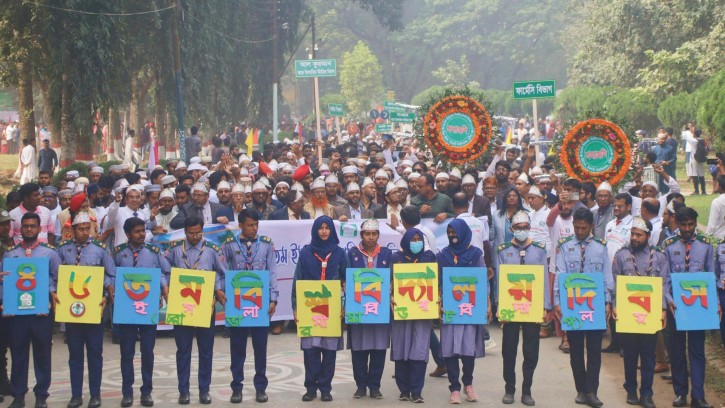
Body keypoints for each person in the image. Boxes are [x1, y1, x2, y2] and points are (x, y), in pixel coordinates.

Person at [553, 208, 613, 407]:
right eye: (576, 227)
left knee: (594, 349)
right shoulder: (564, 246)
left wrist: (607, 301)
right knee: (576, 349)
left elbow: (606, 275)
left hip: (593, 305)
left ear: (591, 227)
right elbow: (560, 275)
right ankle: (581, 389)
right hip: (572, 306)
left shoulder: (600, 246)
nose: (579, 231)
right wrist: (557, 302)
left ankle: (592, 391)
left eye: (583, 228)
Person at [164, 215, 226, 405]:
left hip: (206, 306)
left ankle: (204, 390)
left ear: (202, 230)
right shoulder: (175, 250)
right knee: (183, 350)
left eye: (198, 232)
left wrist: (218, 291)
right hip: (181, 306)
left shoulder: (211, 250)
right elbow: (164, 271)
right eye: (191, 233)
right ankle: (184, 391)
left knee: (206, 350)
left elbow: (221, 273)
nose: (194, 236)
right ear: (185, 232)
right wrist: (166, 288)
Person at [1, 213, 61, 408]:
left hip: (40, 314)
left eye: (32, 226)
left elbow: (56, 279)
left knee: (42, 354)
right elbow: (4, 281)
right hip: (16, 315)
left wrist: (51, 296)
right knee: (18, 354)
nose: (29, 229)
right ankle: (18, 395)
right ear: (19, 229)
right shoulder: (10, 254)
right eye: (25, 226)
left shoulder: (50, 253)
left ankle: (41, 395)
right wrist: (4, 303)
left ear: (39, 229)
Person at [57, 212, 116, 408]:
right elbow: (56, 276)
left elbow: (111, 274)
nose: (84, 232)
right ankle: (76, 395)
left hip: (94, 309)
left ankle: (95, 394)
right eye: (80, 229)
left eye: (87, 228)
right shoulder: (63, 250)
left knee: (94, 353)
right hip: (71, 310)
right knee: (75, 354)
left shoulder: (99, 249)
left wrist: (106, 294)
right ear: (72, 230)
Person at [611, 217, 670, 408]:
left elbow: (664, 284)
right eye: (633, 234)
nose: (634, 238)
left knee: (648, 355)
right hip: (628, 314)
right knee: (630, 354)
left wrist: (662, 309)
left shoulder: (659, 256)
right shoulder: (622, 255)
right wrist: (614, 304)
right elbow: (614, 283)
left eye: (639, 235)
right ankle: (630, 389)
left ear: (648, 236)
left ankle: (647, 394)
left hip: (649, 313)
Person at [221, 209, 278, 404]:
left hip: (259, 304)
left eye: (256, 225)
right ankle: (236, 388)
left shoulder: (266, 245)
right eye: (250, 225)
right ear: (241, 225)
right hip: (238, 303)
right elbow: (222, 270)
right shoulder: (229, 245)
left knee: (260, 348)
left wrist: (274, 298)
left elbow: (272, 272)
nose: (254, 229)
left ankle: (261, 387)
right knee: (237, 348)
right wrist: (221, 291)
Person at [113, 217, 171, 408]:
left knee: (147, 351)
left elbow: (165, 271)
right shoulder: (119, 253)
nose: (141, 234)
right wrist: (111, 288)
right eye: (137, 232)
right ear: (128, 234)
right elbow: (111, 275)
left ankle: (146, 392)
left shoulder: (153, 251)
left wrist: (163, 287)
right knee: (126, 352)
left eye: (143, 231)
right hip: (126, 309)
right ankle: (127, 392)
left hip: (148, 308)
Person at [662, 207, 715, 408]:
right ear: (677, 222)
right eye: (683, 224)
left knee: (697, 350)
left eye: (690, 225)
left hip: (698, 306)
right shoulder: (668, 245)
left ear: (695, 223)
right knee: (676, 350)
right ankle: (680, 393)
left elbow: (711, 274)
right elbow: (664, 278)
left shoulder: (705, 245)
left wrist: (715, 304)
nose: (686, 228)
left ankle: (698, 396)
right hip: (675, 306)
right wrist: (668, 299)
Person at [291, 216, 347, 402]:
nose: (324, 231)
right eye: (321, 228)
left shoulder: (339, 253)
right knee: (311, 351)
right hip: (310, 307)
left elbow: (346, 282)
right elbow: (297, 279)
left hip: (332, 309)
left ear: (332, 230)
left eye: (327, 228)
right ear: (315, 230)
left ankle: (325, 388)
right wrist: (295, 307)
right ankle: (310, 388)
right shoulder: (306, 252)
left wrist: (345, 306)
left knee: (329, 352)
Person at [497, 211, 548, 406]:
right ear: (511, 230)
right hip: (511, 307)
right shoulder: (503, 250)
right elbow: (500, 282)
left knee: (531, 350)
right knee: (508, 350)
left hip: (532, 307)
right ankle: (509, 389)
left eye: (525, 227)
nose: (521, 231)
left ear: (529, 228)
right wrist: (500, 306)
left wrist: (545, 306)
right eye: (517, 228)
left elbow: (543, 279)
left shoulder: (539, 250)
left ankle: (527, 390)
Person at [437, 219, 488, 404]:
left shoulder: (476, 254)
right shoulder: (442, 255)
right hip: (450, 309)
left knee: (468, 350)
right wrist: (438, 303)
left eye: (455, 232)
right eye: (449, 232)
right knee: (450, 351)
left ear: (464, 233)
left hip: (469, 310)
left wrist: (487, 304)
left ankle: (468, 384)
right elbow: (437, 282)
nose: (453, 236)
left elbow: (483, 280)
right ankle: (454, 388)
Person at [346, 219, 392, 399]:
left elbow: (393, 278)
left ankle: (374, 386)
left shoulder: (387, 254)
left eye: (374, 234)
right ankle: (360, 385)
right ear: (361, 235)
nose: (371, 237)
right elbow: (346, 278)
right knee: (358, 348)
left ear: (378, 235)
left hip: (379, 309)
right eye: (367, 234)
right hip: (358, 307)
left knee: (379, 348)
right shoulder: (351, 254)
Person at [390, 228, 436, 403]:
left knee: (419, 349)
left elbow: (435, 281)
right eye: (413, 239)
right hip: (401, 310)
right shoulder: (396, 258)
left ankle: (417, 391)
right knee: (401, 348)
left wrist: (437, 298)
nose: (416, 242)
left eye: (419, 239)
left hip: (422, 312)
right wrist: (391, 295)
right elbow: (390, 281)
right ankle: (404, 390)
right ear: (405, 241)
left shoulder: (429, 257)